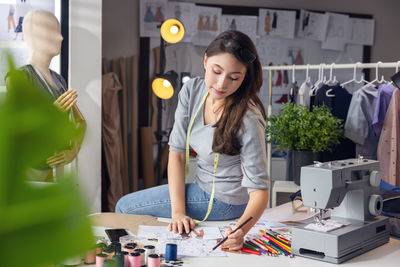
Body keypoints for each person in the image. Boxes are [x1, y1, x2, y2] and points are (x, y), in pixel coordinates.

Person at [116, 30, 269, 250]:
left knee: (124, 207)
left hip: (226, 202)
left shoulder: (248, 119)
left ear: (244, 77)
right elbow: (177, 153)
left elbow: (260, 191)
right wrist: (178, 213)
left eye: (234, 77)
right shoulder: (192, 90)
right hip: (201, 186)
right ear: (205, 60)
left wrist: (241, 231)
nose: (221, 84)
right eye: (216, 71)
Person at [6, 9, 86, 181]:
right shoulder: (20, 78)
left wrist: (73, 151)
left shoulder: (59, 80)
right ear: (34, 35)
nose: (60, 38)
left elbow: (81, 122)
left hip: (57, 168)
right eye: (53, 32)